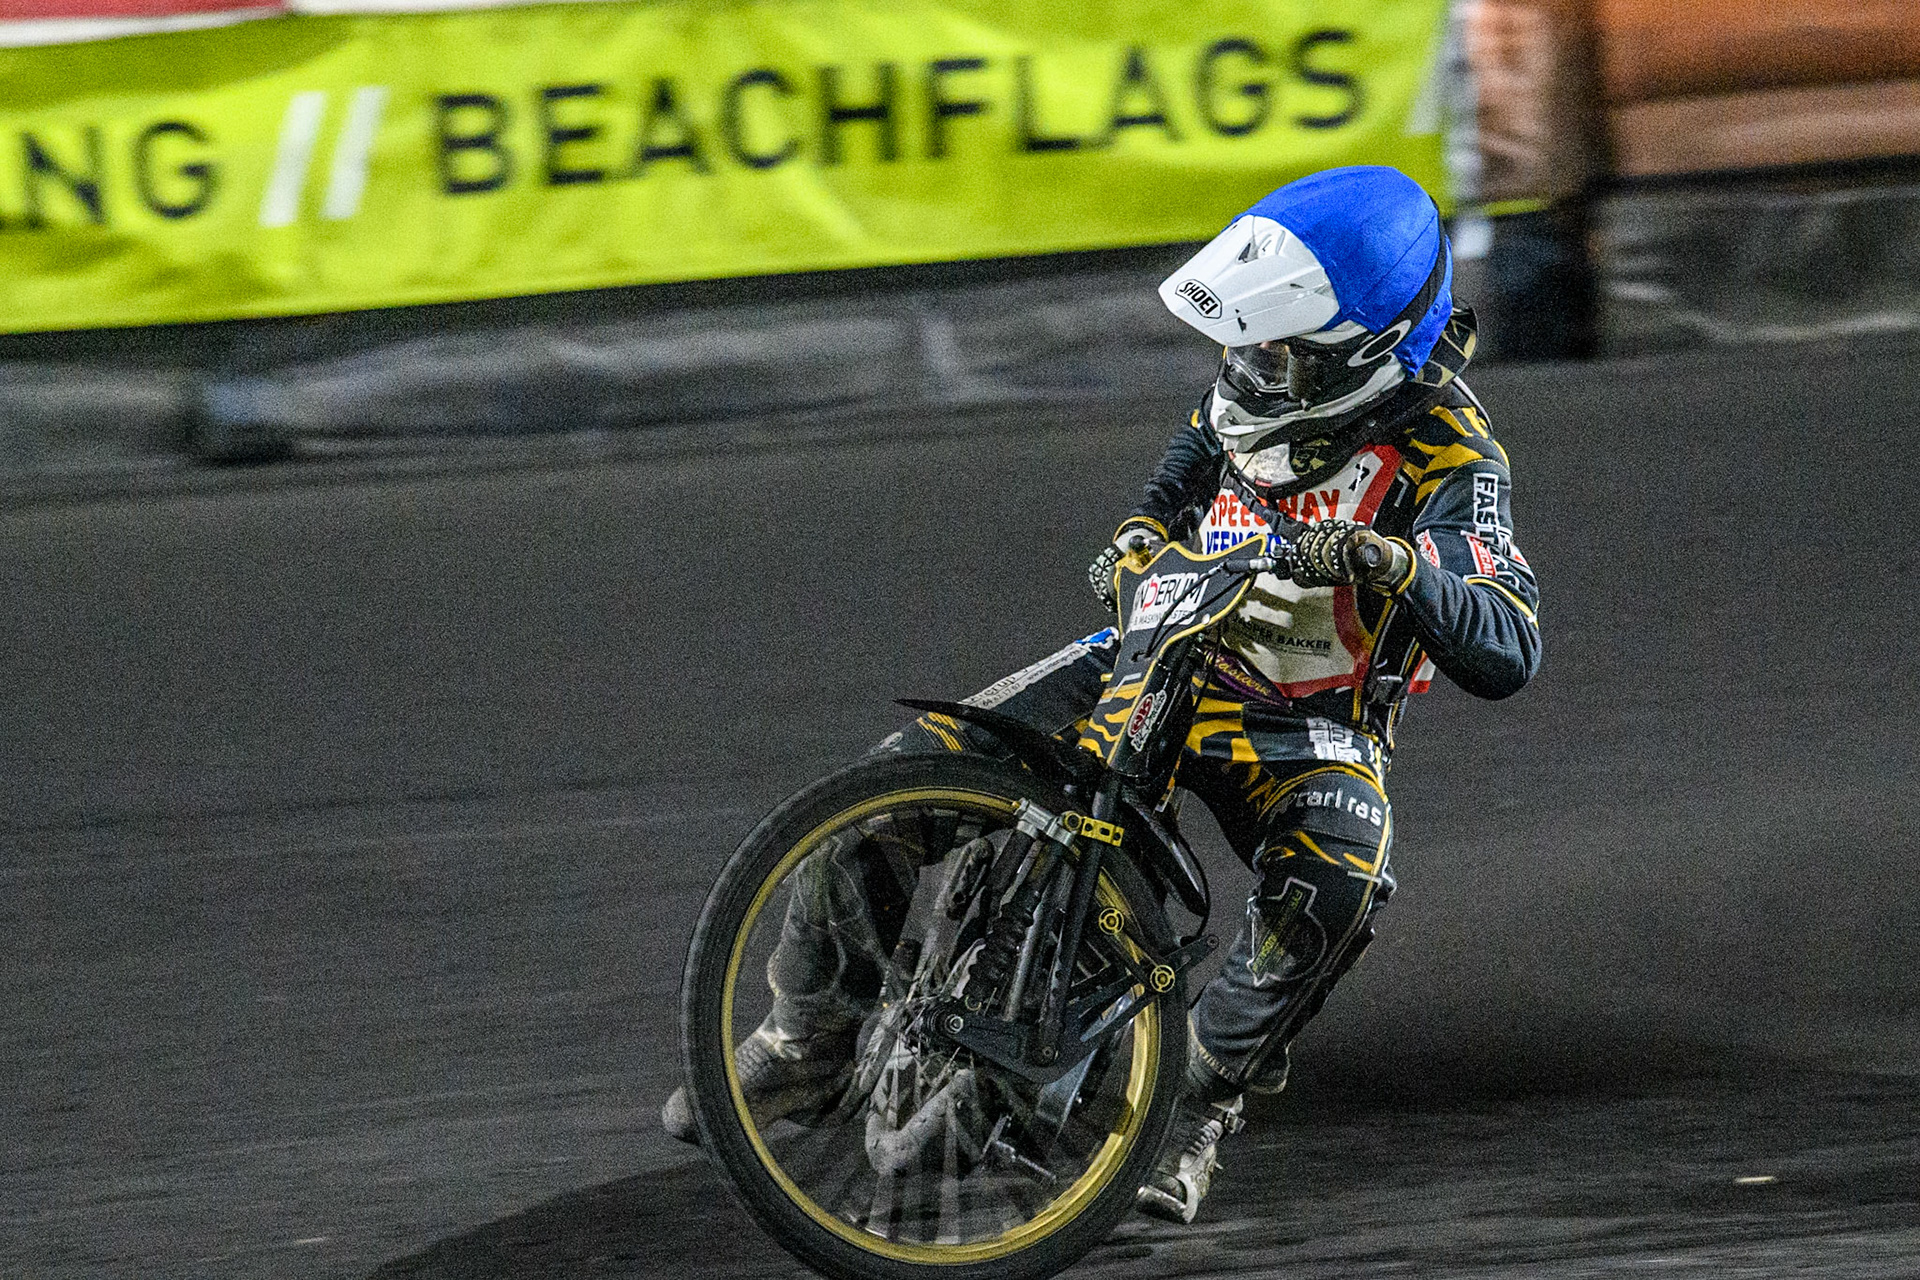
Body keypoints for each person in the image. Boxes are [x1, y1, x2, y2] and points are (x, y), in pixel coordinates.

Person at [663, 165, 1541, 1224]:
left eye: (1275, 354)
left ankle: (1197, 1104)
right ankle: (806, 1036)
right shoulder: (1249, 386)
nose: (1246, 370)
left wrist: (1397, 566)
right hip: (1167, 647)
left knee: (1342, 878)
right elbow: (1184, 464)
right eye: (1244, 347)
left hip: (1309, 725)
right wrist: (1136, 536)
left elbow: (1511, 641)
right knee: (892, 785)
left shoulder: (1455, 452)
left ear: (1360, 353)